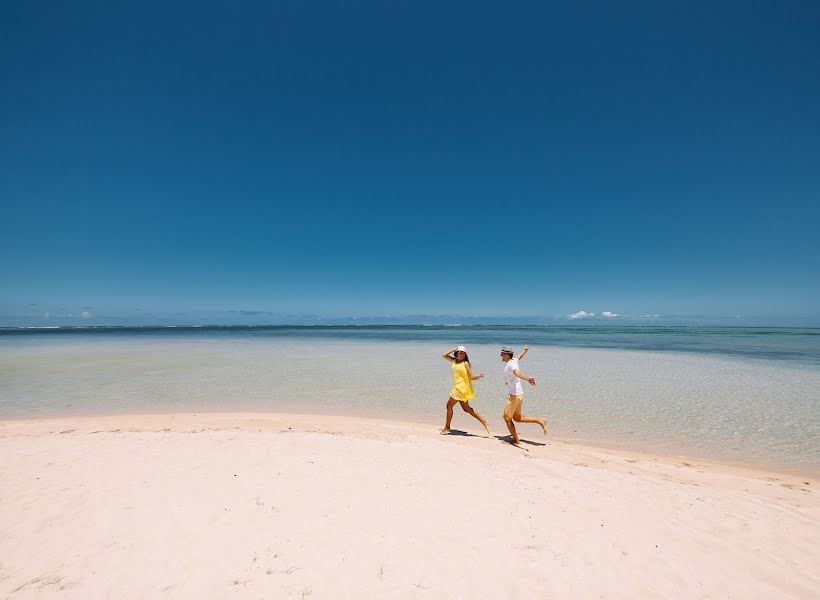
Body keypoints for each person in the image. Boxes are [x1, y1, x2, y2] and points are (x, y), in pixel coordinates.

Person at [500, 345, 547, 444]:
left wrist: (528, 379)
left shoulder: (511, 364)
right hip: (519, 394)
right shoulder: (513, 361)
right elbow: (518, 357)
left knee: (507, 418)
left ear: (507, 355)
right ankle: (540, 420)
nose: (501, 355)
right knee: (517, 418)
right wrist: (524, 351)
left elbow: (517, 372)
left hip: (514, 395)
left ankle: (517, 441)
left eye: (502, 354)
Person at [440, 346, 490, 436]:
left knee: (449, 406)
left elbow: (471, 377)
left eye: (464, 353)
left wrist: (478, 376)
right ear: (457, 353)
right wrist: (453, 349)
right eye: (460, 352)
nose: (462, 354)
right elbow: (444, 355)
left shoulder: (465, 363)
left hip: (460, 388)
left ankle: (447, 428)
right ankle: (484, 421)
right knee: (466, 409)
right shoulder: (454, 361)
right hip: (457, 387)